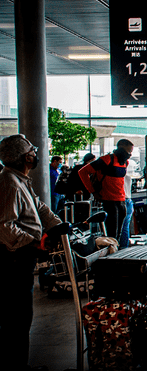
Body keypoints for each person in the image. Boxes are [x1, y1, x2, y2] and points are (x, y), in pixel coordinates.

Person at [0, 134, 62, 371]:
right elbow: (4, 226)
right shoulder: (8, 182)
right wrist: (34, 244)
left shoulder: (20, 179)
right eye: (32, 151)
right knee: (15, 318)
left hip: (21, 258)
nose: (35, 155)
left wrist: (56, 226)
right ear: (26, 156)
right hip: (12, 261)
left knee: (21, 316)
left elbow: (39, 206)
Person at [79, 139, 134, 240]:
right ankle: (112, 252)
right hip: (109, 200)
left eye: (131, 152)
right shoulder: (106, 159)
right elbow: (83, 172)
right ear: (121, 149)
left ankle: (116, 250)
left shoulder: (125, 162)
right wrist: (93, 191)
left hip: (121, 200)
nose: (130, 154)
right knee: (112, 233)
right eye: (128, 151)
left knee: (119, 233)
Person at [119, 165, 136, 249]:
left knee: (118, 227)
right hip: (129, 201)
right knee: (125, 226)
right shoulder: (128, 177)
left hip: (121, 201)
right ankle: (124, 247)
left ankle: (118, 247)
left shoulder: (116, 177)